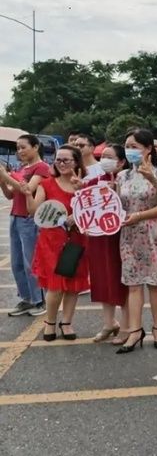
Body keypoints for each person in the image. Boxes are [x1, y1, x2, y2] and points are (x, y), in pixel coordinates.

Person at [116, 129, 157, 354]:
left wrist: (140, 215)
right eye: (127, 146)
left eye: (135, 147)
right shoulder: (122, 176)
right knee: (133, 284)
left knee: (155, 284)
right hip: (129, 235)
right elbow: (117, 206)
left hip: (153, 233)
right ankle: (134, 331)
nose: (130, 150)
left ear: (148, 149)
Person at [24, 145, 89, 341]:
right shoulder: (46, 184)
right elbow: (34, 211)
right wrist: (27, 194)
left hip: (76, 239)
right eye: (58, 160)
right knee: (55, 286)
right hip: (51, 242)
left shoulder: (84, 185)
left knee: (73, 284)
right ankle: (50, 323)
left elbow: (91, 212)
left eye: (66, 160)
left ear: (76, 162)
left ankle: (67, 322)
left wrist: (79, 203)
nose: (61, 163)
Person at [0, 135, 52, 317]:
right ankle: (26, 298)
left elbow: (28, 189)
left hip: (29, 219)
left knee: (31, 262)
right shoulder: (23, 168)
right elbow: (10, 195)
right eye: (18, 148)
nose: (20, 151)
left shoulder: (42, 167)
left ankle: (39, 300)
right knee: (17, 263)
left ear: (36, 147)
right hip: (15, 217)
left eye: (23, 147)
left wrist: (6, 175)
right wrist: (2, 183)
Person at [83, 144, 130, 343]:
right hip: (98, 237)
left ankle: (127, 325)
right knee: (102, 278)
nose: (104, 160)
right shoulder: (94, 182)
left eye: (110, 157)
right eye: (102, 156)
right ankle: (109, 323)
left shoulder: (127, 180)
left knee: (123, 280)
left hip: (121, 237)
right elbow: (83, 207)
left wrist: (116, 191)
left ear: (121, 162)